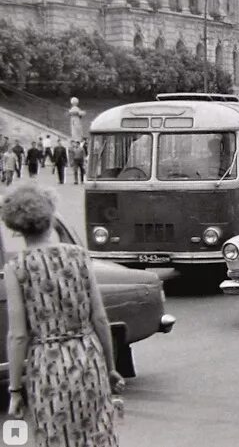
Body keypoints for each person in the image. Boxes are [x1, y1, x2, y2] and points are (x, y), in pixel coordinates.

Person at [2, 184, 123, 445]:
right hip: (88, 357)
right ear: (50, 217)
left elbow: (18, 336)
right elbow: (100, 318)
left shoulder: (16, 268)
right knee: (97, 433)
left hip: (47, 365)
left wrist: (15, 389)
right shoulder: (79, 257)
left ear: (16, 228)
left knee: (57, 436)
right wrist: (111, 368)